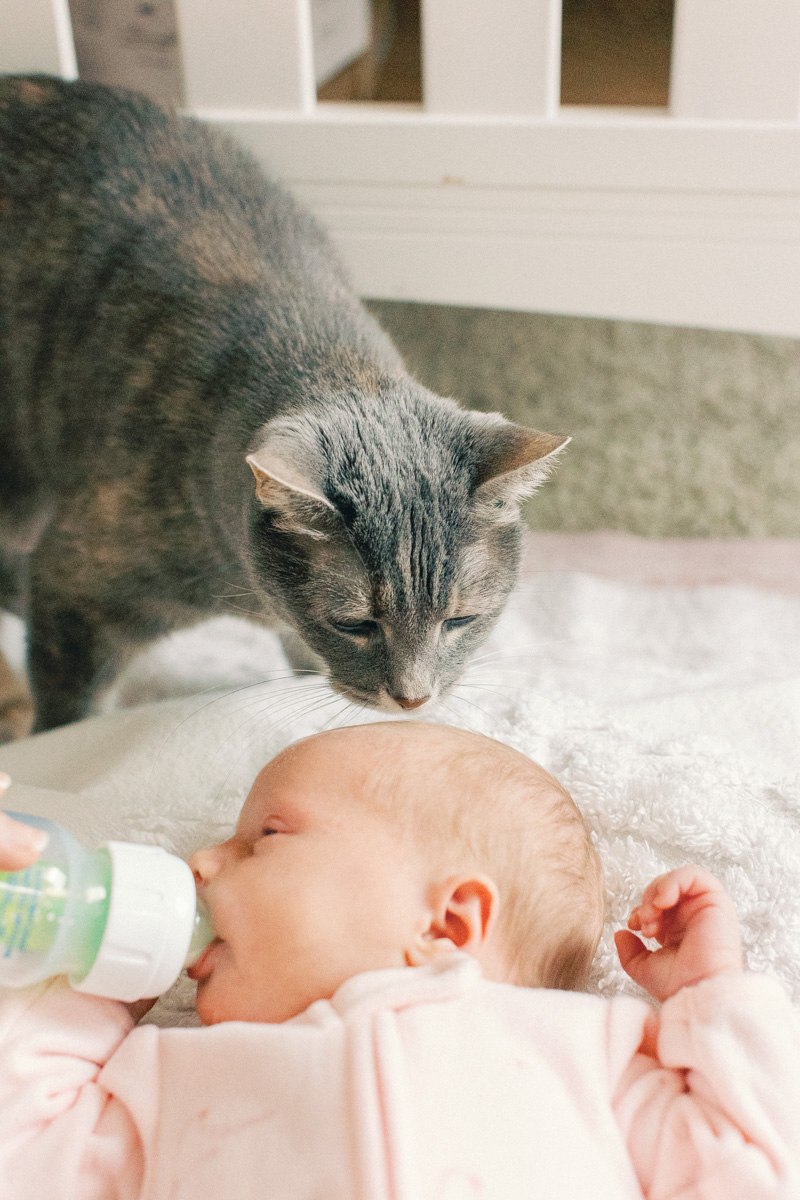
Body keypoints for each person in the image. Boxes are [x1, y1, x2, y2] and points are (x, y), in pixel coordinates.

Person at [0, 724, 798, 1199]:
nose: (202, 863)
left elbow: (758, 1167)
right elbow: (27, 1157)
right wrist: (85, 971)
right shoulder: (165, 1079)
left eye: (266, 837)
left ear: (449, 922)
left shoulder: (589, 1056)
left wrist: (712, 998)